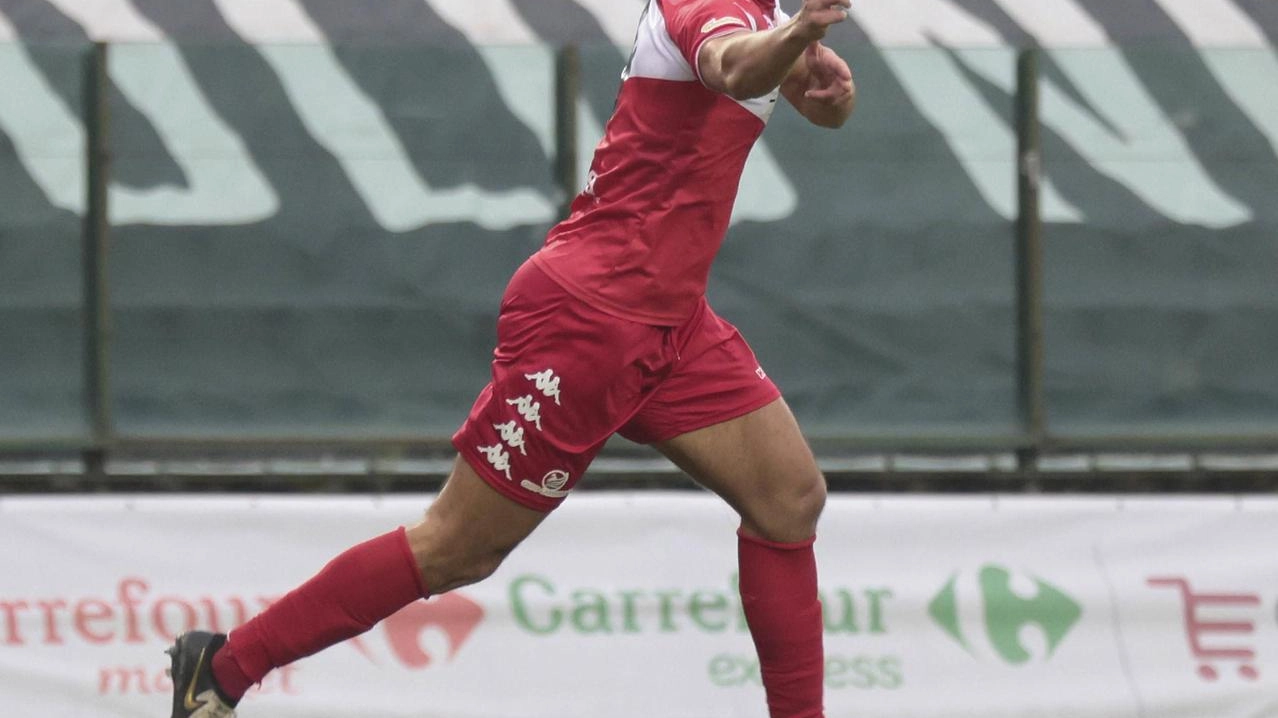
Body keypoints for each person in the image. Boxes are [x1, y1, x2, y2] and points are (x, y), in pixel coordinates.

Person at [166, 0, 855, 716]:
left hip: (671, 322)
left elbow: (805, 98)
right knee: (457, 547)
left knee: (789, 498)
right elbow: (730, 65)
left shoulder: (766, 15)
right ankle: (224, 668)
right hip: (590, 319)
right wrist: (797, 35)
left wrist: (826, 85)